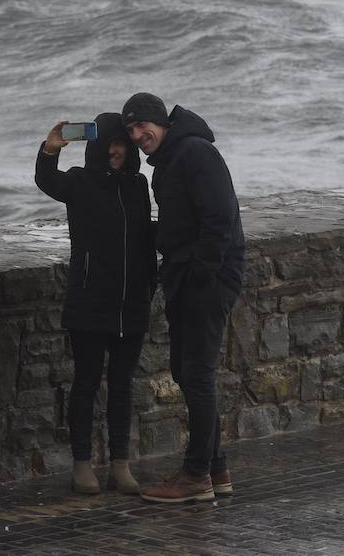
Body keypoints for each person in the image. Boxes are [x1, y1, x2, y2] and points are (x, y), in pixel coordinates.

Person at [122, 93, 245, 504]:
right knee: (187, 370)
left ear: (162, 122)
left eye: (143, 126)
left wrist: (201, 276)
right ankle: (216, 467)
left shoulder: (195, 153)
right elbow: (181, 224)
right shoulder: (170, 161)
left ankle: (196, 476)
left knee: (198, 373)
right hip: (188, 276)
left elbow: (220, 217)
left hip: (205, 279)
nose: (139, 135)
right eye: (131, 131)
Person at [35, 112, 157, 495]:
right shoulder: (80, 182)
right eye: (110, 144)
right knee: (86, 385)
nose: (117, 150)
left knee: (122, 386)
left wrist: (149, 285)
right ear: (98, 147)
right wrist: (50, 149)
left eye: (122, 143)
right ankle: (82, 465)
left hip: (131, 304)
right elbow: (46, 181)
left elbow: (144, 238)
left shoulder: (138, 185)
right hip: (89, 303)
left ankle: (120, 464)